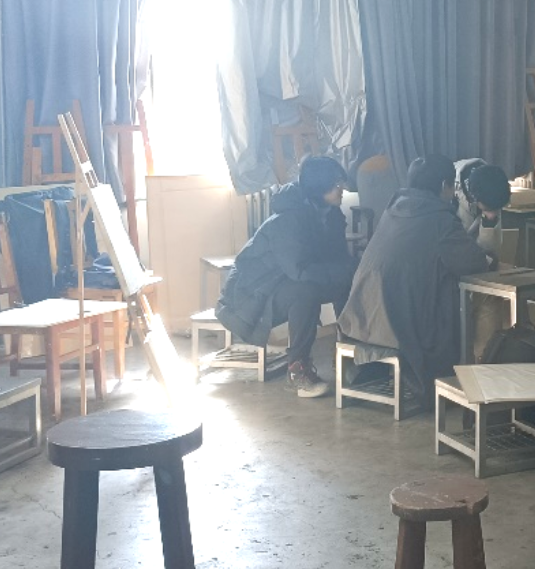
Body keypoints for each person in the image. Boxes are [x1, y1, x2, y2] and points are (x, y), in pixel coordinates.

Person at [336, 155, 494, 405]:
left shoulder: (393, 210)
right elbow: (474, 264)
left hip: (360, 318)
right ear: (444, 186)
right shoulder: (440, 219)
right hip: (400, 326)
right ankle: (472, 380)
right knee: (465, 300)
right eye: (451, 185)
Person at [215, 154, 355, 397]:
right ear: (318, 188)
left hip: (280, 284)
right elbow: (299, 270)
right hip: (249, 297)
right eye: (335, 184)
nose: (341, 189)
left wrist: (352, 272)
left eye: (341, 182)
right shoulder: (289, 220)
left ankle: (349, 356)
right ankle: (296, 370)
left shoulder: (331, 214)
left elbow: (338, 260)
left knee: (348, 283)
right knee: (306, 291)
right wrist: (344, 270)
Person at [454, 158, 511, 254]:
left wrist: (489, 223)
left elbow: (491, 247)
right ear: (474, 198)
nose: (493, 215)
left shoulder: (495, 187)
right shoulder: (448, 189)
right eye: (488, 209)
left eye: (496, 210)